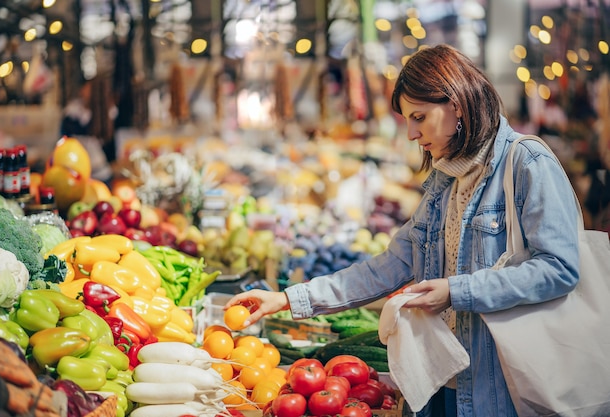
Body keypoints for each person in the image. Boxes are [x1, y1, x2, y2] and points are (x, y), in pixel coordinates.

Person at [225, 44, 580, 417]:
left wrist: (457, 291)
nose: (411, 133)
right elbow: (387, 267)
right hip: (435, 380)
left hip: (495, 390)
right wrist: (286, 299)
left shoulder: (528, 164)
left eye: (419, 117)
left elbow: (559, 268)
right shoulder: (446, 180)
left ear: (456, 105)